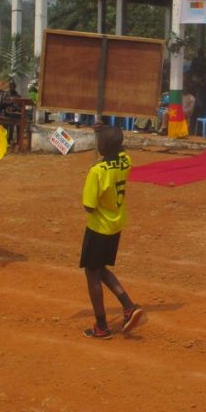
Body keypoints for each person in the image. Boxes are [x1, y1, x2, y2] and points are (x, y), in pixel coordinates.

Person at [80, 126, 144, 339]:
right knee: (99, 268)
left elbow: (89, 206)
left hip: (98, 227)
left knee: (92, 272)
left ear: (104, 147)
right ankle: (128, 306)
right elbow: (119, 147)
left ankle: (101, 325)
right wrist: (105, 131)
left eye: (100, 142)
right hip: (115, 224)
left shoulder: (97, 171)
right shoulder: (126, 160)